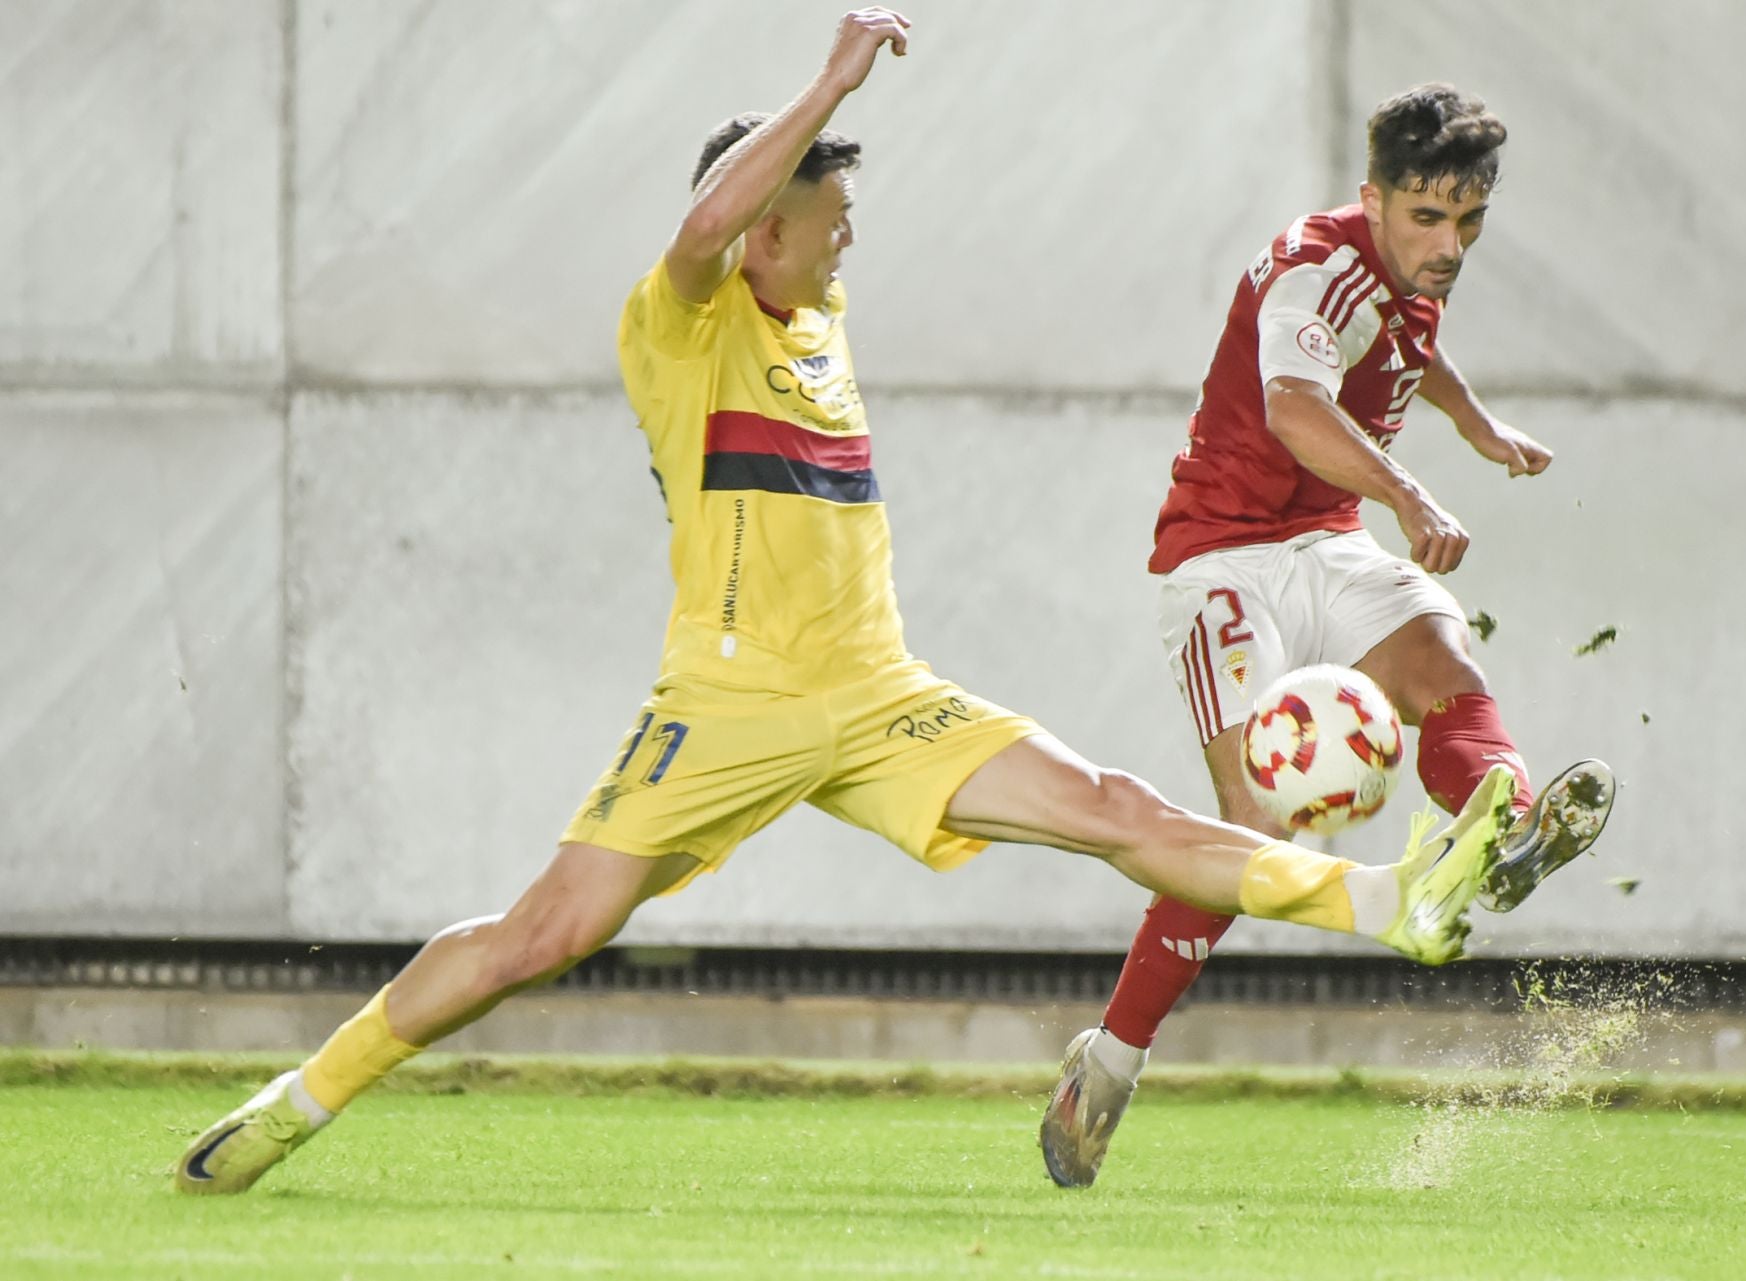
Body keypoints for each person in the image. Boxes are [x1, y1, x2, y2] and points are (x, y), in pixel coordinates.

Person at [172, 14, 1517, 1196]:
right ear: (768, 222)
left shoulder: (819, 319)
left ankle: (1391, 898)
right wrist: (828, 89)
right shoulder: (681, 325)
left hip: (881, 699)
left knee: (1119, 810)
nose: (849, 233)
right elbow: (704, 226)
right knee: (547, 935)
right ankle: (299, 1101)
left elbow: (774, 228)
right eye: (831, 215)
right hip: (728, 705)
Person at [1039, 83, 1617, 1190]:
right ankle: (1108, 1062)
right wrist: (1413, 494)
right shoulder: (1319, 262)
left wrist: (1477, 424)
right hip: (1221, 558)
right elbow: (1298, 402)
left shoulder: (1409, 276)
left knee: (1444, 663)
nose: (1447, 247)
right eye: (1425, 219)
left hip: (1326, 542)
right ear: (1374, 198)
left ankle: (1503, 832)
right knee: (1250, 826)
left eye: (1468, 222)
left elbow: (1409, 345)